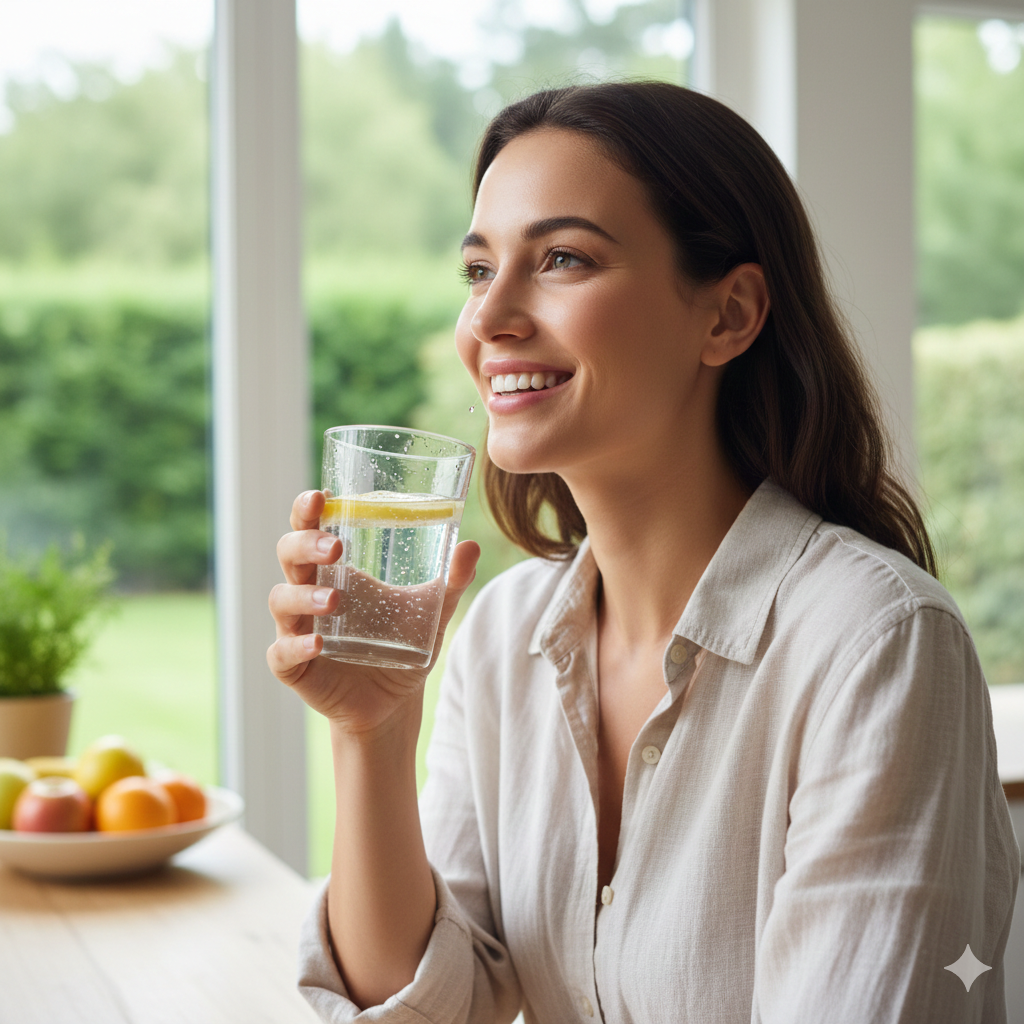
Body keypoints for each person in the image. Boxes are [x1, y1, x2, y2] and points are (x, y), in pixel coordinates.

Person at [268, 82, 1019, 1023]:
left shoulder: (876, 645)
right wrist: (371, 736)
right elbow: (432, 1007)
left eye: (563, 259)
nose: (489, 317)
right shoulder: (501, 636)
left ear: (728, 316)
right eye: (476, 269)